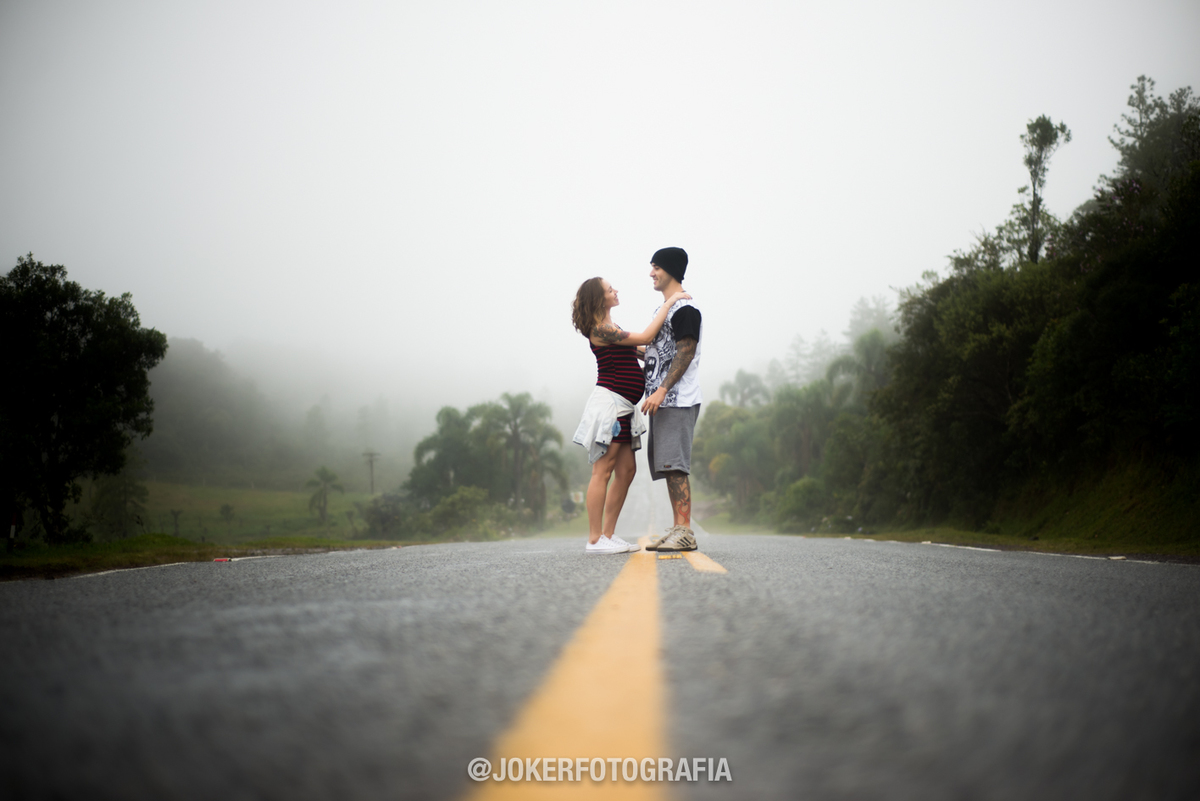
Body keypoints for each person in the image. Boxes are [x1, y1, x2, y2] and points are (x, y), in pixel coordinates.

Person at [572, 277, 691, 554]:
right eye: (609, 289)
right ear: (599, 299)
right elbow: (646, 337)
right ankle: (594, 539)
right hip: (610, 406)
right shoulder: (601, 329)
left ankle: (608, 535)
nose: (615, 291)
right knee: (603, 470)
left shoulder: (612, 328)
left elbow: (641, 349)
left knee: (626, 471)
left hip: (624, 408)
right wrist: (670, 303)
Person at [640, 247, 702, 552]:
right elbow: (657, 352)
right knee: (668, 465)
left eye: (656, 267)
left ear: (671, 269)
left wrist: (662, 389)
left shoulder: (685, 309)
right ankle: (679, 528)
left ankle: (686, 532)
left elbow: (685, 351)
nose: (651, 272)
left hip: (677, 399)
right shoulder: (665, 309)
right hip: (664, 400)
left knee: (675, 465)